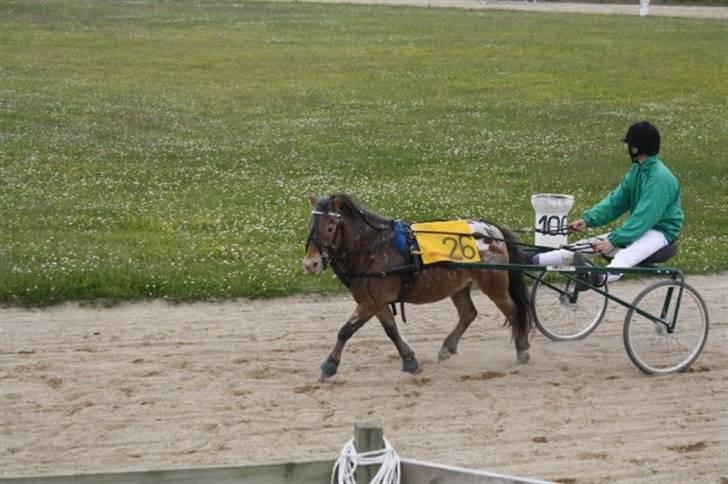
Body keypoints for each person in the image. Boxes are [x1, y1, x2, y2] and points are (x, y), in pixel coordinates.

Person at [533, 121, 684, 286]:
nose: (628, 148)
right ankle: (533, 260)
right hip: (641, 227)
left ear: (637, 148)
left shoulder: (660, 179)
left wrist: (613, 241)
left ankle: (598, 278)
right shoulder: (638, 171)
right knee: (584, 246)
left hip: (661, 232)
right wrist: (588, 220)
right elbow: (615, 201)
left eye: (630, 145)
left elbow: (644, 218)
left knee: (625, 255)